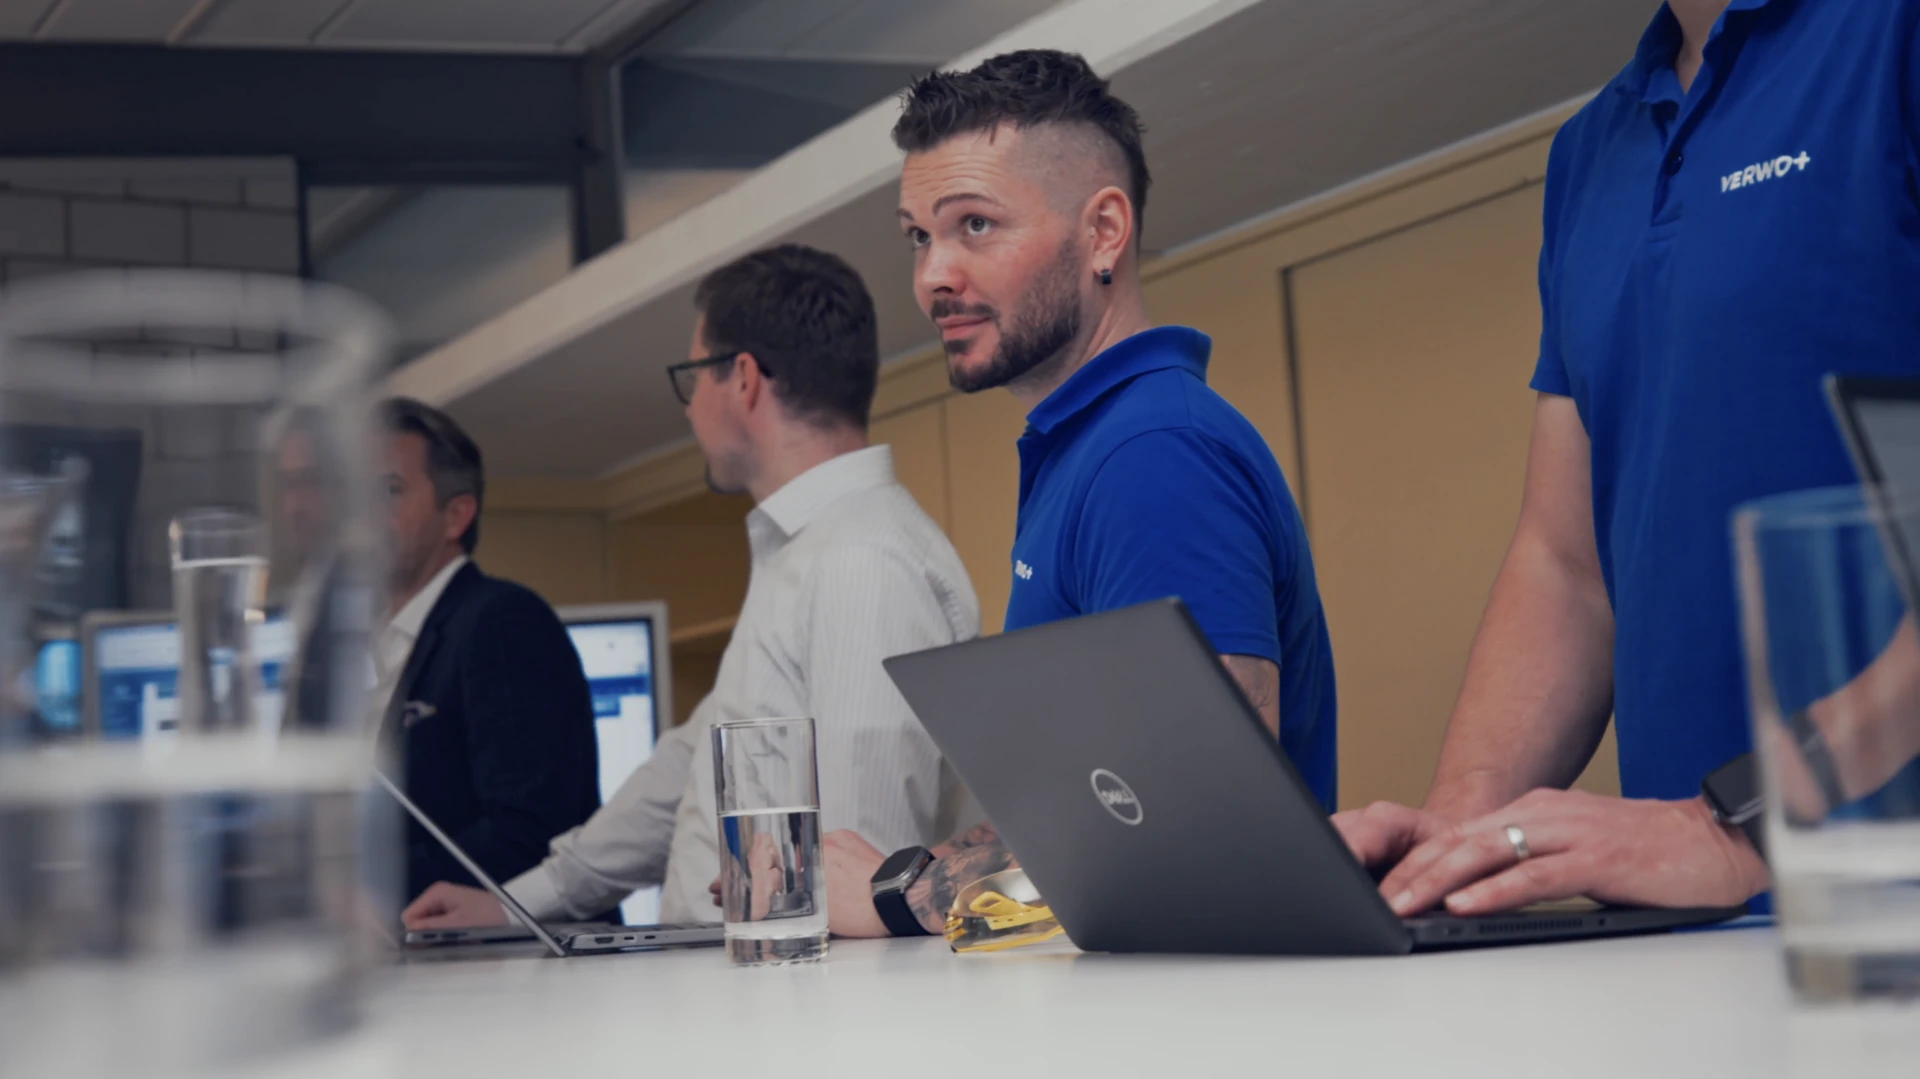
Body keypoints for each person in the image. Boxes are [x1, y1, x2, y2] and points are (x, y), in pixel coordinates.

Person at [1334, 0, 1920, 918]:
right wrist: (1454, 841)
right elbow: (1566, 565)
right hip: (1693, 928)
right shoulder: (1589, 152)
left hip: (1883, 905)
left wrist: (1743, 820)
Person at [822, 49, 1337, 939]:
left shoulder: (1154, 453)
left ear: (1103, 232)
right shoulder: (1092, 445)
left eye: (974, 225)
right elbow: (1105, 804)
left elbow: (1196, 821)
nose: (932, 275)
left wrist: (898, 893)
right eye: (919, 235)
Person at [401, 244, 982, 932]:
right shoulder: (804, 552)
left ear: (742, 380)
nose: (688, 410)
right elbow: (693, 763)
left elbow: (858, 876)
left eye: (693, 378)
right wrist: (518, 901)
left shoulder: (861, 561)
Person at [377, 397, 602, 903]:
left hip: (506, 965)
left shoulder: (502, 621)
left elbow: (527, 830)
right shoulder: (374, 647)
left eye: (388, 491)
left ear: (456, 515)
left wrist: (366, 885)